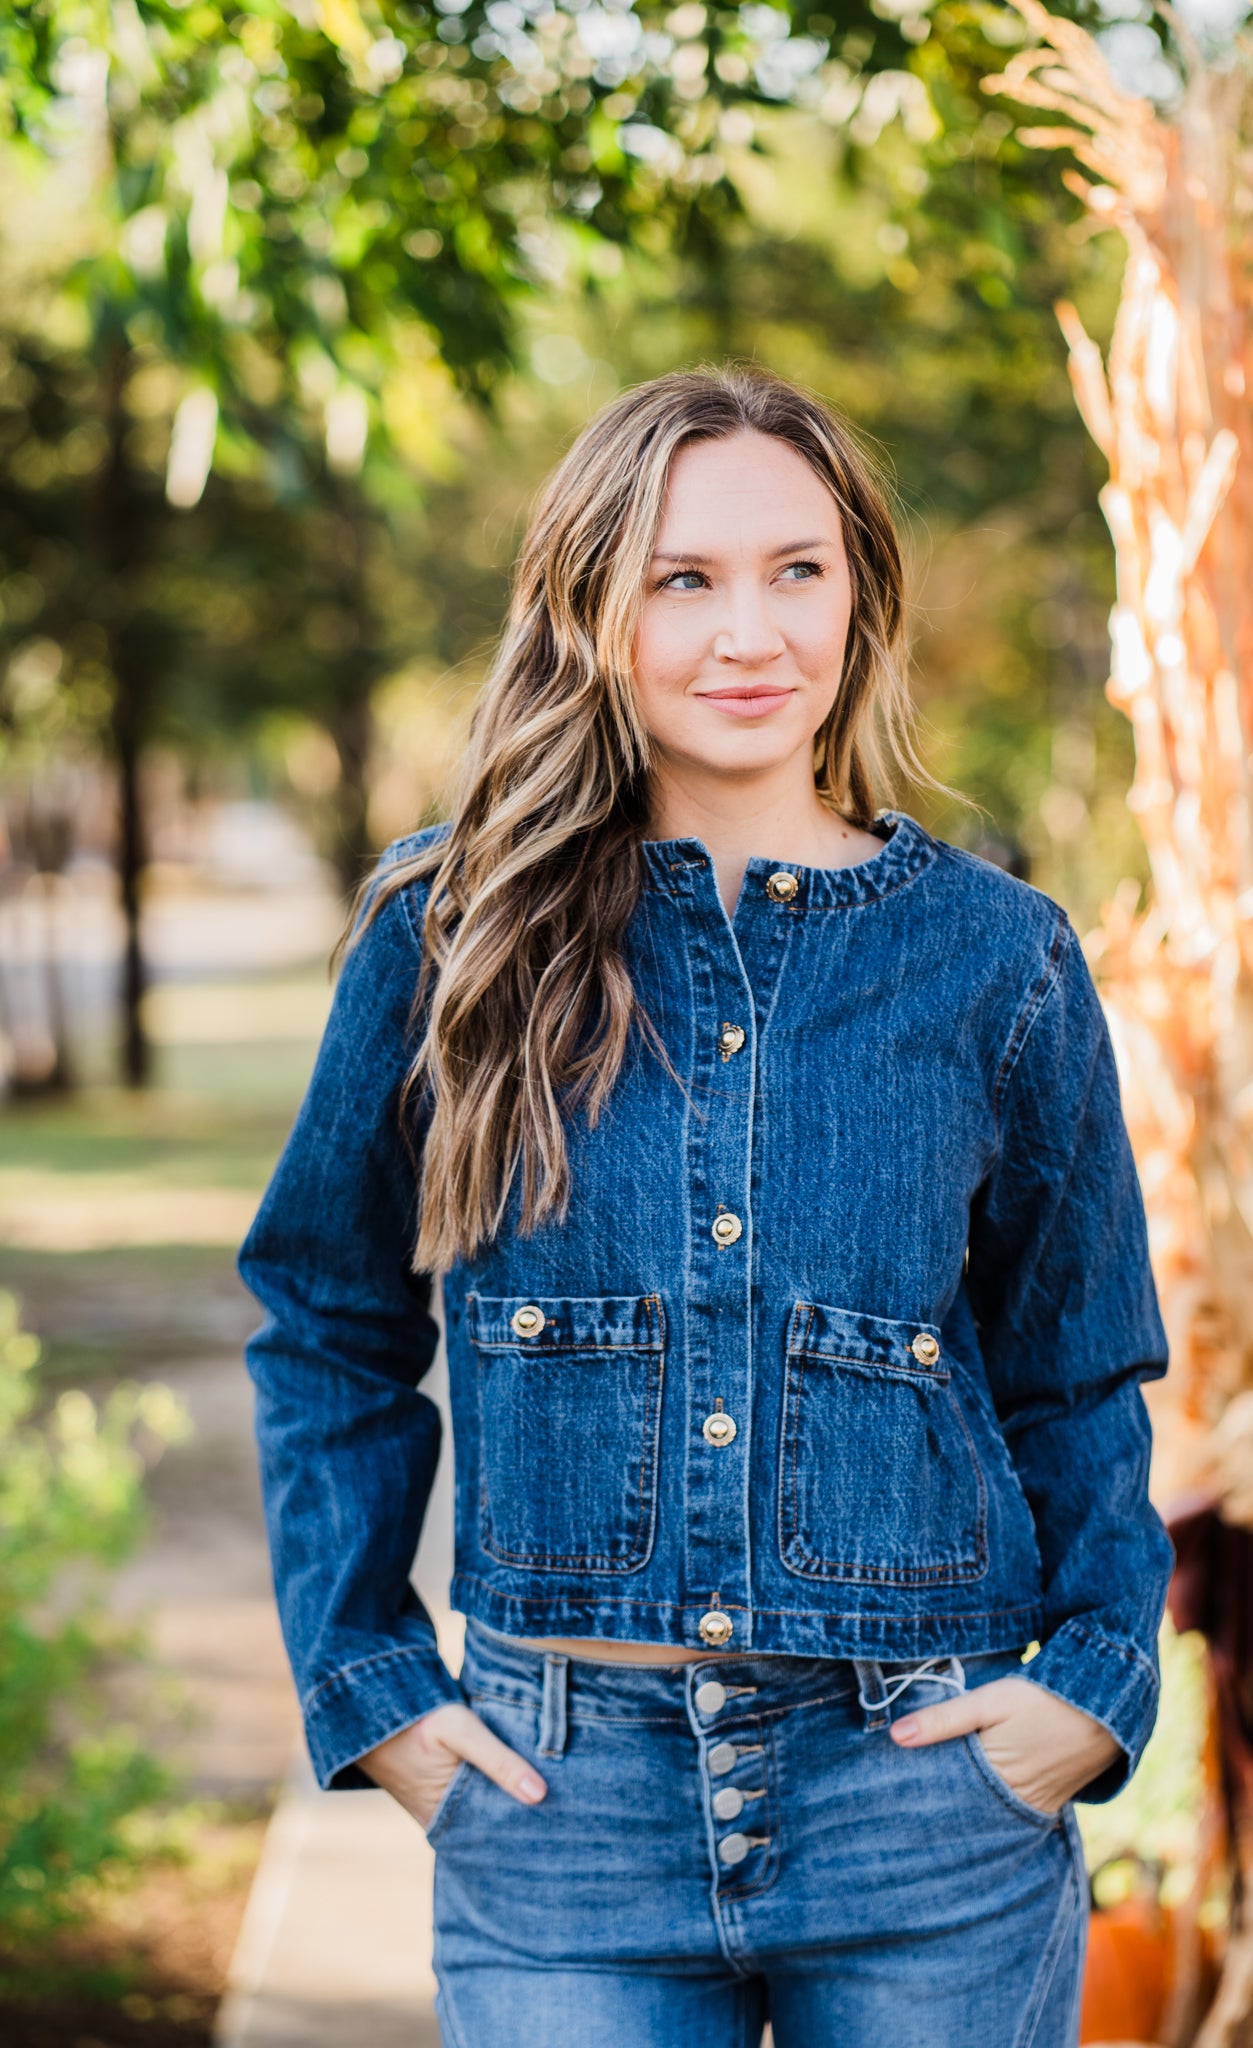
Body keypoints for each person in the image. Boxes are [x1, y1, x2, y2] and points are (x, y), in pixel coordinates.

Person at [238, 363, 1173, 2047]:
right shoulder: (446, 933)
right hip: (559, 1811)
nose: (750, 632)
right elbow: (325, 1323)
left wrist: (1089, 1693)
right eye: (685, 578)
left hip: (924, 1802)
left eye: (793, 570)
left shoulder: (994, 957)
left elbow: (1077, 1369)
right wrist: (370, 1686)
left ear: (858, 595)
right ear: (592, 606)